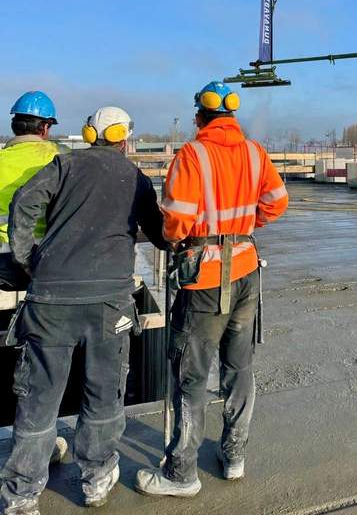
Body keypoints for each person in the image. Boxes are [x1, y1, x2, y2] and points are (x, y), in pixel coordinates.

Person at [1, 106, 168, 515]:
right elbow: (161, 233)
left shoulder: (65, 165)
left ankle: (21, 493)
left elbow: (23, 204)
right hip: (109, 303)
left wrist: (26, 257)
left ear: (89, 133)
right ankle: (96, 479)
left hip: (51, 300)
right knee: (103, 394)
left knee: (39, 398)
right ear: (124, 137)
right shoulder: (135, 177)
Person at [135, 81, 288, 499]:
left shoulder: (193, 154)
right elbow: (277, 201)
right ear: (232, 116)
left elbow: (175, 221)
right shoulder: (255, 152)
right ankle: (234, 456)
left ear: (199, 117)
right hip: (246, 268)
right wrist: (244, 227)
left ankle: (181, 473)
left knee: (191, 374)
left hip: (205, 279)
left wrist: (178, 239)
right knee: (239, 368)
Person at [0, 92, 62, 291]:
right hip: (46, 260)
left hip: (3, 263)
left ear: (14, 125)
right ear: (45, 127)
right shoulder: (60, 159)